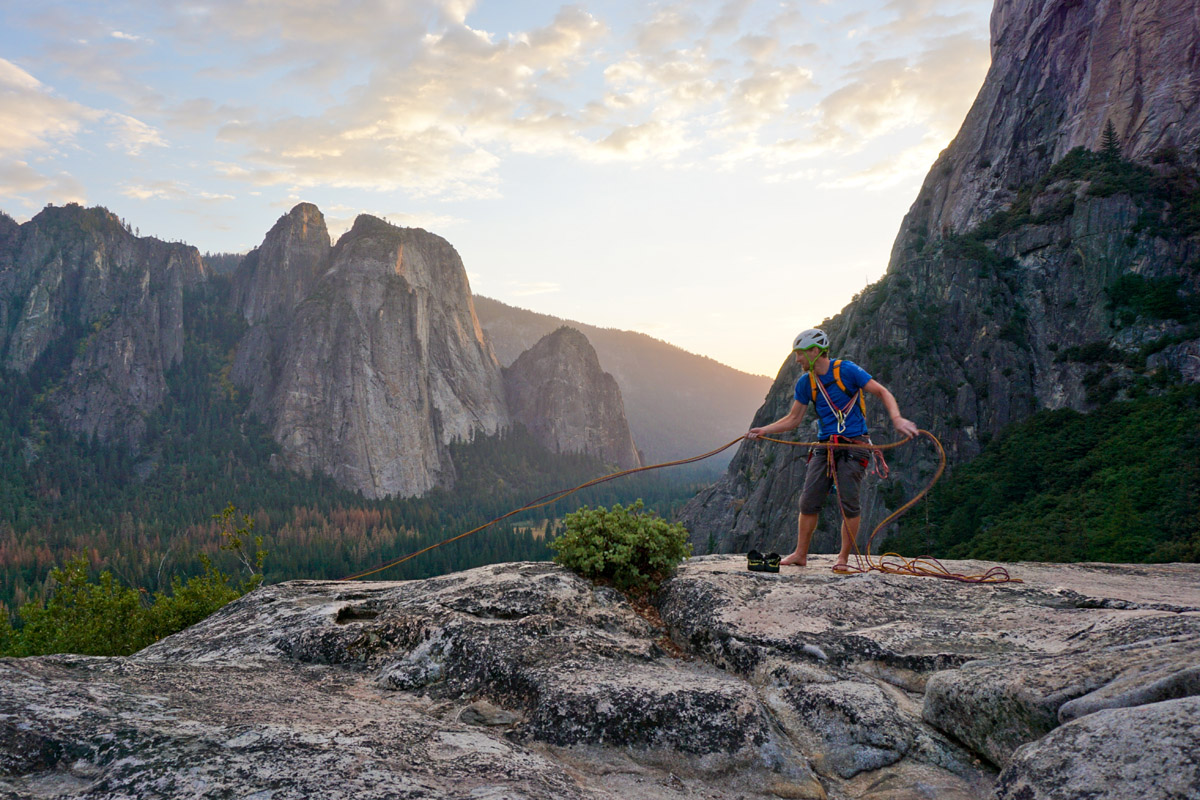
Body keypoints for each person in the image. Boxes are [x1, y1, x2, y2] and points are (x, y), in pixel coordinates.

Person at [747, 328, 919, 570]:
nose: (797, 360)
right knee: (808, 502)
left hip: (854, 446)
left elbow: (881, 391)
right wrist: (764, 429)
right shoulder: (806, 382)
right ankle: (800, 554)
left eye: (800, 354)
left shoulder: (846, 371)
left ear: (815, 352)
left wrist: (897, 418)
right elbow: (794, 418)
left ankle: (842, 558)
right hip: (825, 447)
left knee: (849, 503)